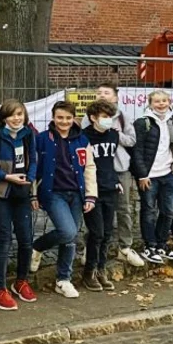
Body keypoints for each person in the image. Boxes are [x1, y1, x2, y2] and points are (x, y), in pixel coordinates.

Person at [0, 99, 39, 310]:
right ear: (4, 117)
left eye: (20, 114)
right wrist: (6, 176)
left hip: (21, 192)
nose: (16, 119)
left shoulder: (28, 134)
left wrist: (29, 179)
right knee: (3, 239)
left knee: (25, 239)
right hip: (0, 193)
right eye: (12, 115)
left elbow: (33, 160)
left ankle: (21, 281)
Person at [34, 101, 98, 296]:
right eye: (60, 117)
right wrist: (33, 193)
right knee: (68, 231)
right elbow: (33, 169)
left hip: (76, 194)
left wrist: (90, 195)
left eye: (68, 118)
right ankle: (38, 246)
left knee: (69, 239)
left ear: (74, 119)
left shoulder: (82, 140)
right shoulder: (43, 139)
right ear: (53, 117)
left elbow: (89, 168)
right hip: (53, 193)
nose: (64, 121)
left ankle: (63, 279)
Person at [96, 84, 144, 268]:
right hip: (99, 170)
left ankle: (125, 247)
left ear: (115, 97)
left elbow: (132, 140)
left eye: (106, 93)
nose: (102, 95)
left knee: (123, 208)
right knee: (96, 210)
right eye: (99, 93)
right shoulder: (89, 116)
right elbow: (85, 138)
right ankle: (93, 247)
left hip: (120, 168)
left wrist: (115, 135)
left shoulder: (123, 117)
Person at [131, 91, 173, 264]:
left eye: (164, 101)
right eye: (157, 101)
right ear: (150, 103)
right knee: (149, 212)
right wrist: (142, 174)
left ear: (169, 102)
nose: (161, 104)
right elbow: (137, 151)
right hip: (149, 176)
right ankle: (150, 246)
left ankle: (161, 244)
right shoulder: (142, 122)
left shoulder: (172, 121)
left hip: (168, 174)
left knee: (168, 212)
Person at [83, 99, 122, 292]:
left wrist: (116, 181)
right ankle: (88, 272)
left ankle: (101, 269)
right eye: (104, 117)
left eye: (110, 117)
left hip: (110, 188)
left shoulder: (113, 135)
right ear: (93, 118)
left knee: (107, 233)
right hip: (92, 190)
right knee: (96, 233)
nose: (108, 121)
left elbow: (111, 161)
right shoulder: (84, 137)